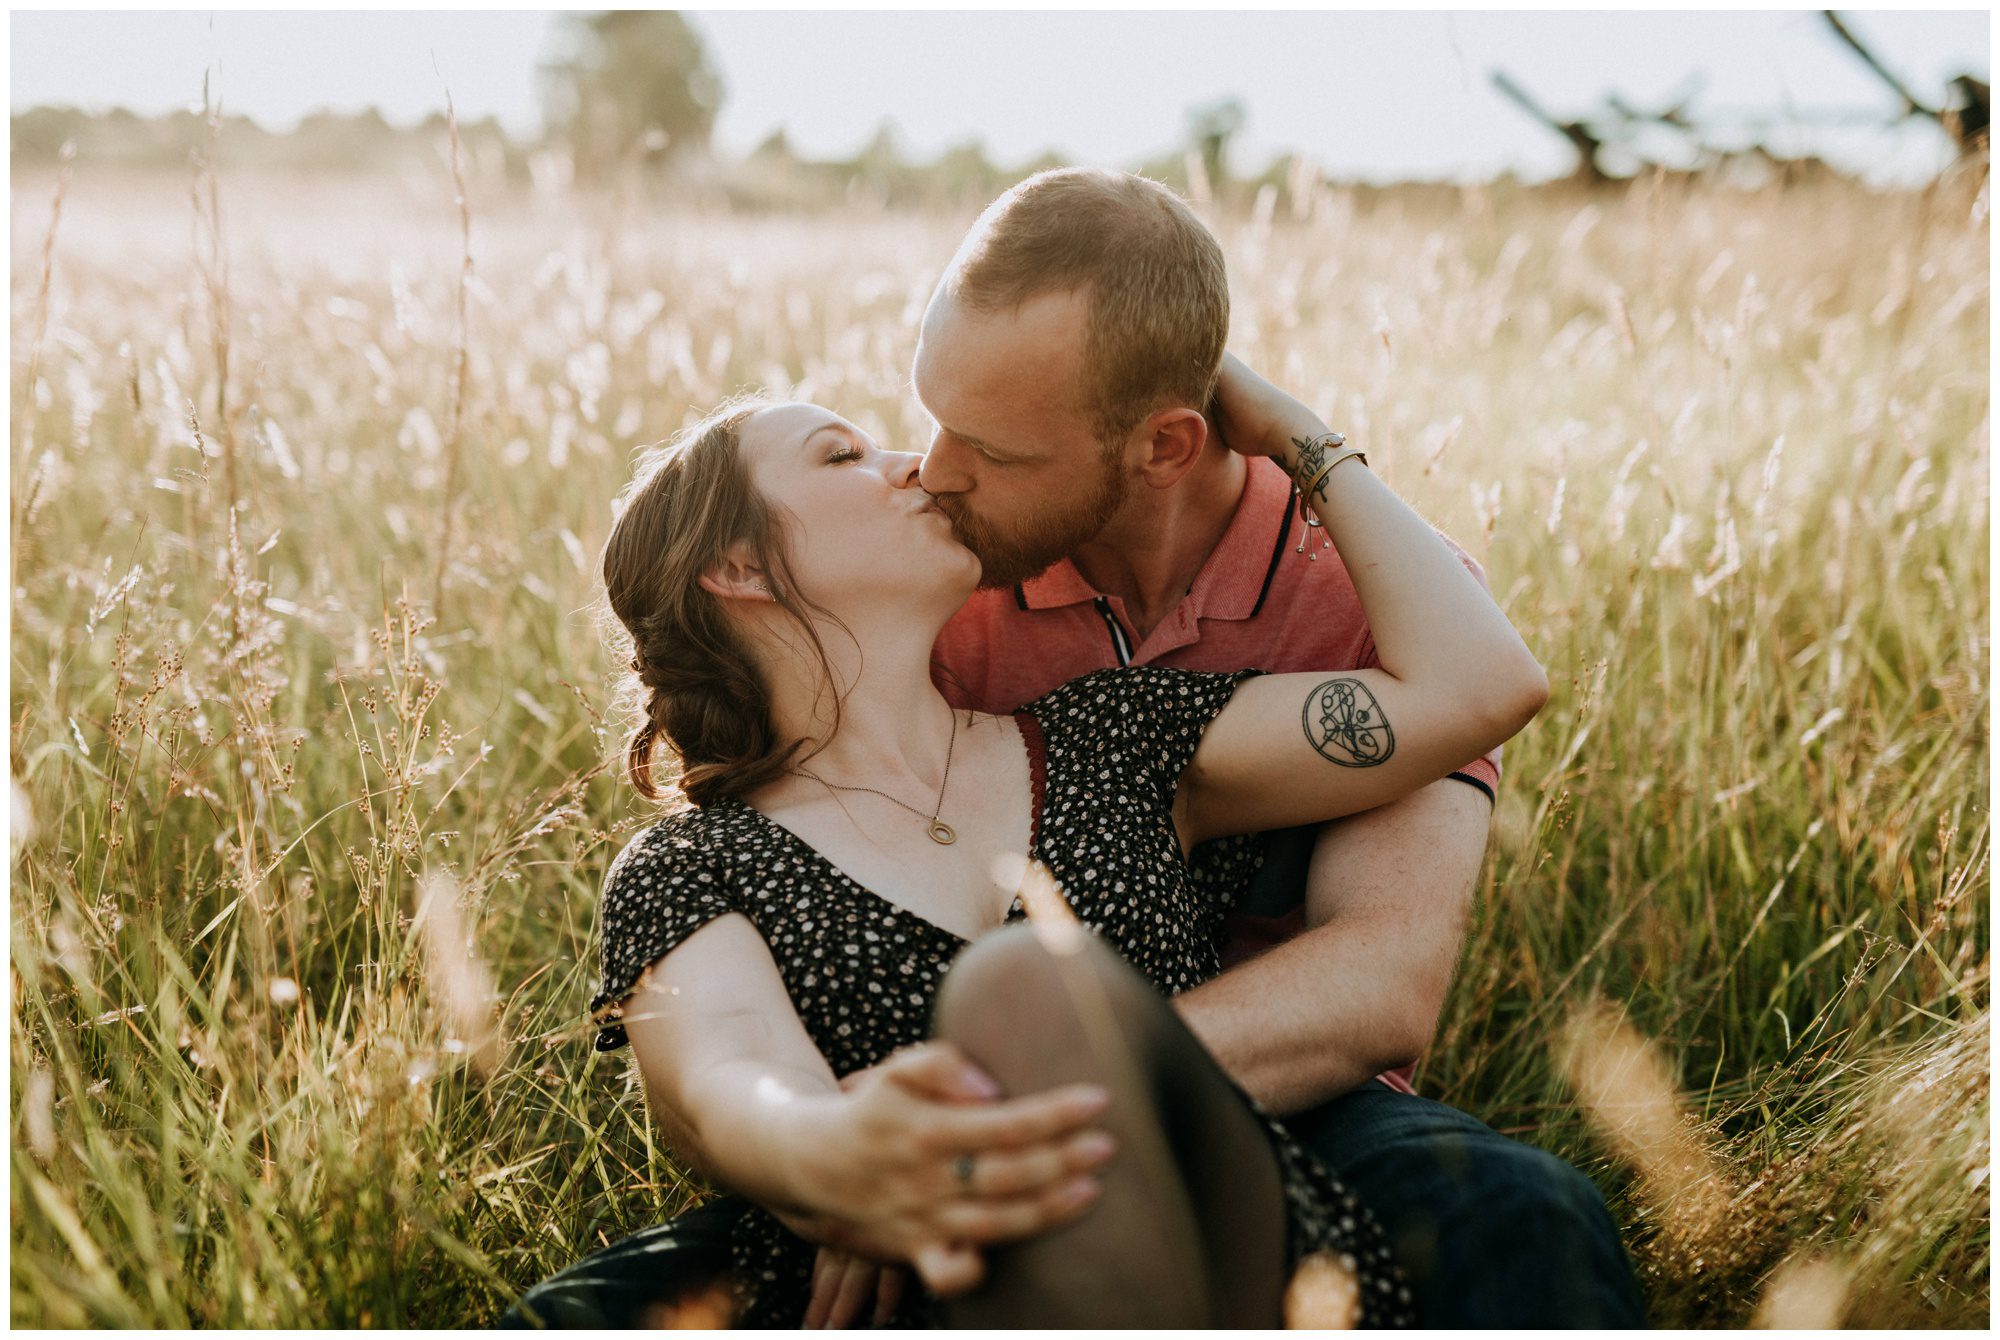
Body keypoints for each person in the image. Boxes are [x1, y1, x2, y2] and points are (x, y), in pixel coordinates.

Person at [502, 354, 1548, 1327]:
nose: (912, 463)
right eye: (841, 454)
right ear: (738, 566)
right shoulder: (689, 866)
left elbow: (1481, 686)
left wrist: (1293, 434)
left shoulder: (1115, 735)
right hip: (899, 1280)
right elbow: (730, 1080)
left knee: (1514, 1212)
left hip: (1203, 1221)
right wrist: (844, 1155)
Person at [897, 166, 1648, 1328]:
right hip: (960, 1096)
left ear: (1164, 445)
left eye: (991, 449)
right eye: (932, 413)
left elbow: (1380, 980)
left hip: (1288, 1098)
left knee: (1521, 1215)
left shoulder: (1392, 604)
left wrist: (1059, 1101)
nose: (934, 471)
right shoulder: (934, 576)